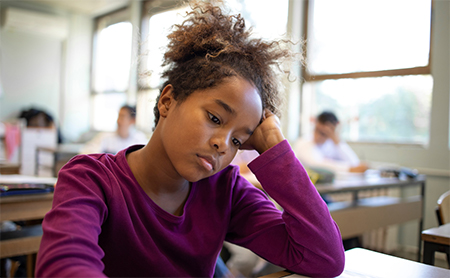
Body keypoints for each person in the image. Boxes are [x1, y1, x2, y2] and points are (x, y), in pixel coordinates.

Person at [35, 2, 345, 277]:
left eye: (239, 140)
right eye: (214, 119)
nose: (223, 145)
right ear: (168, 101)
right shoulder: (91, 179)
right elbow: (63, 267)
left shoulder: (225, 190)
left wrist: (275, 148)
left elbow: (325, 258)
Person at [294, 111, 368, 174]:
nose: (320, 135)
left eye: (325, 133)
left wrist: (336, 139)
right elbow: (315, 164)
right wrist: (349, 169)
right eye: (318, 130)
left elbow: (355, 163)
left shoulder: (331, 143)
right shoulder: (304, 142)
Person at [79, 105, 148, 154]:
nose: (118, 121)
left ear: (132, 121)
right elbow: (86, 152)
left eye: (122, 117)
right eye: (118, 116)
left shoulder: (140, 140)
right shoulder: (105, 137)